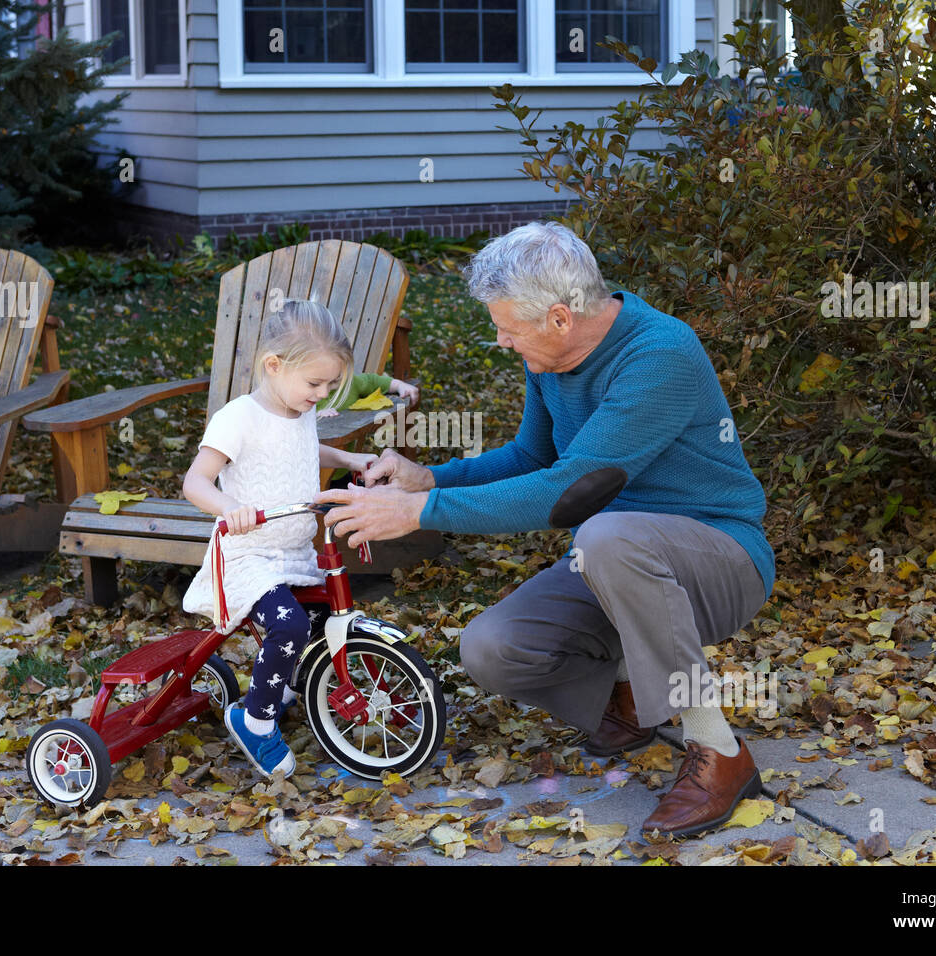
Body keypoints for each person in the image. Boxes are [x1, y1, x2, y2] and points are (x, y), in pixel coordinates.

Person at [312, 221, 776, 837]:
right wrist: (429, 481)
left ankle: (720, 752)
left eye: (509, 327)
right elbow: (534, 460)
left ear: (560, 317)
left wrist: (420, 515)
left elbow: (570, 491)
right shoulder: (552, 358)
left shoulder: (660, 354)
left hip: (720, 557)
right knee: (491, 648)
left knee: (604, 535)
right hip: (615, 561)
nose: (501, 340)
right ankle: (631, 694)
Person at [182, 298, 379, 778]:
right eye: (315, 383)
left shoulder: (298, 410)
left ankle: (283, 685)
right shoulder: (238, 418)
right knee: (288, 625)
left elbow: (303, 444)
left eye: (330, 384)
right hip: (249, 555)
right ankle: (255, 720)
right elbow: (195, 482)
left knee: (321, 615)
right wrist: (232, 508)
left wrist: (350, 461)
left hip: (292, 551)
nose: (322, 393)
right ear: (273, 365)